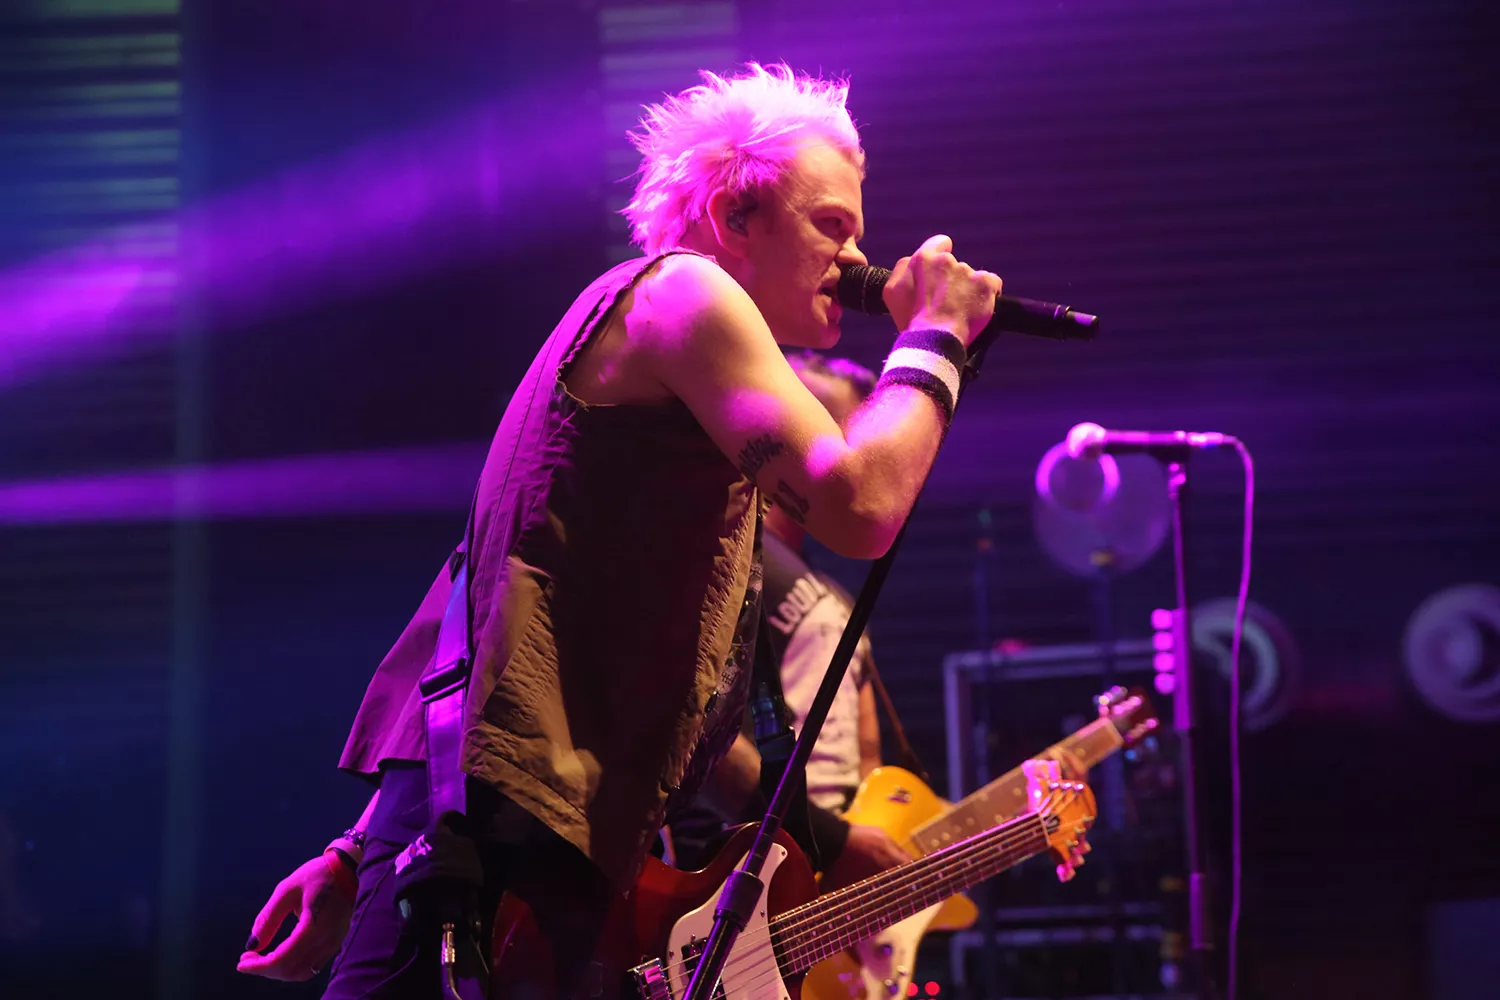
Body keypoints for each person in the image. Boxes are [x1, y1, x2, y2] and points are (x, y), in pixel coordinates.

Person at [236, 63, 1002, 998]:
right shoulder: (686, 294)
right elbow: (861, 507)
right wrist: (936, 337)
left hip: (519, 836)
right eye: (831, 225)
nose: (856, 258)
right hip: (499, 836)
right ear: (735, 217)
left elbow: (495, 616)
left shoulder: (677, 402)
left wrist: (360, 852)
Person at [669, 352, 911, 889]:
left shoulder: (832, 591)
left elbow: (868, 761)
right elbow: (693, 729)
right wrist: (832, 838)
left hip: (817, 875)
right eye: (843, 437)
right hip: (729, 869)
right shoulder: (724, 555)